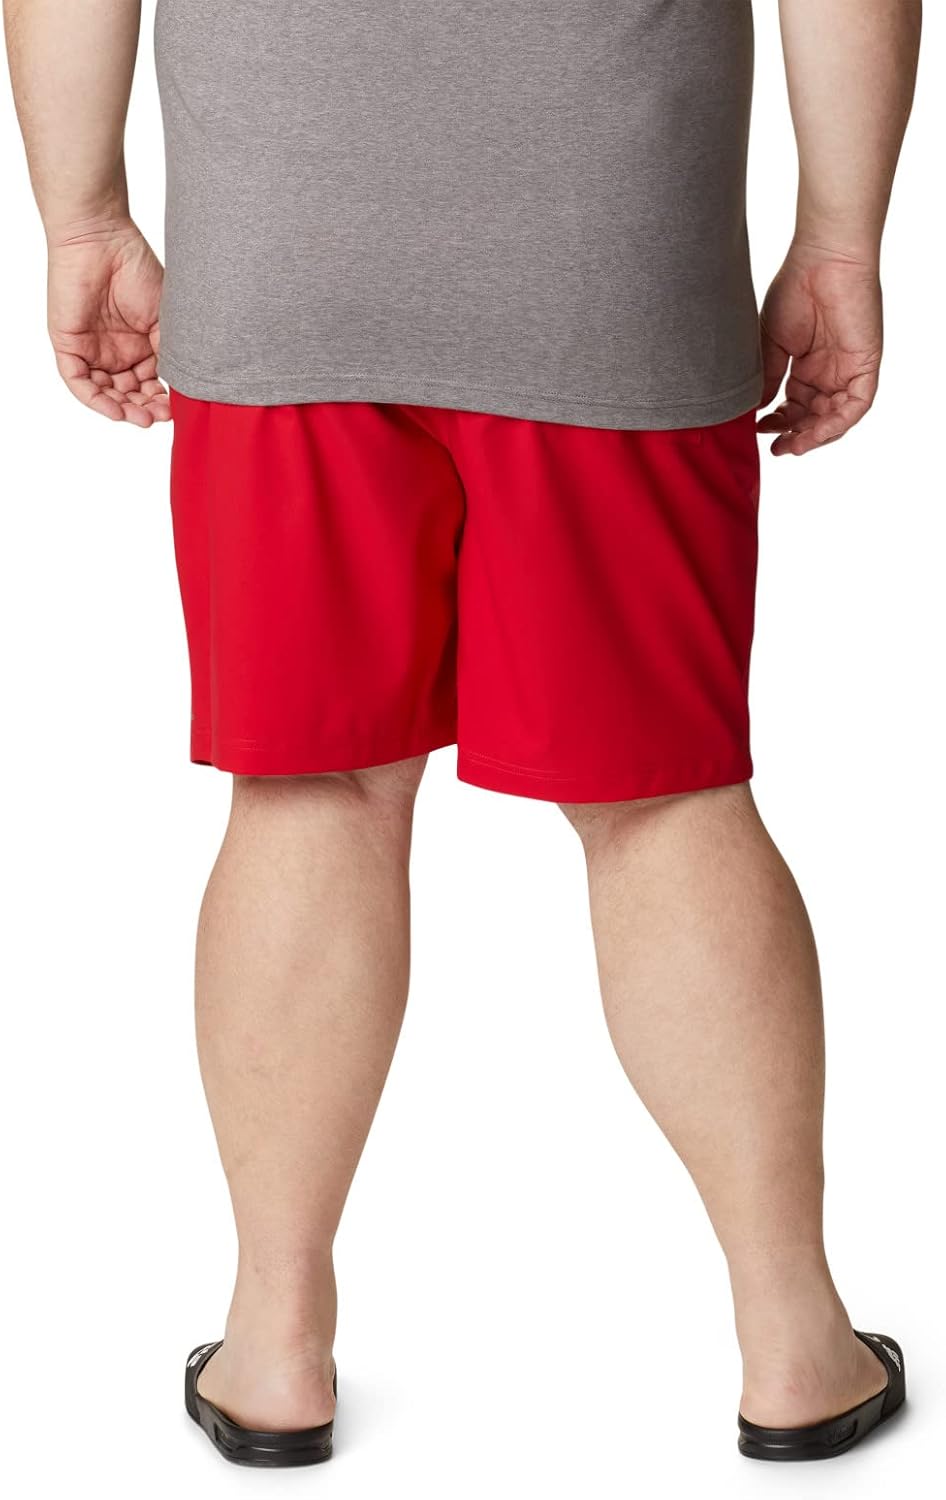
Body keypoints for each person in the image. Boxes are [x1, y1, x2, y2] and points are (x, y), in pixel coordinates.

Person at [5, 0, 921, 1469]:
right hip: (611, 249)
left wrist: (82, 214)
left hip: (283, 253)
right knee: (663, 798)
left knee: (307, 788)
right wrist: (839, 240)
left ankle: (273, 1348)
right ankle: (795, 1344)